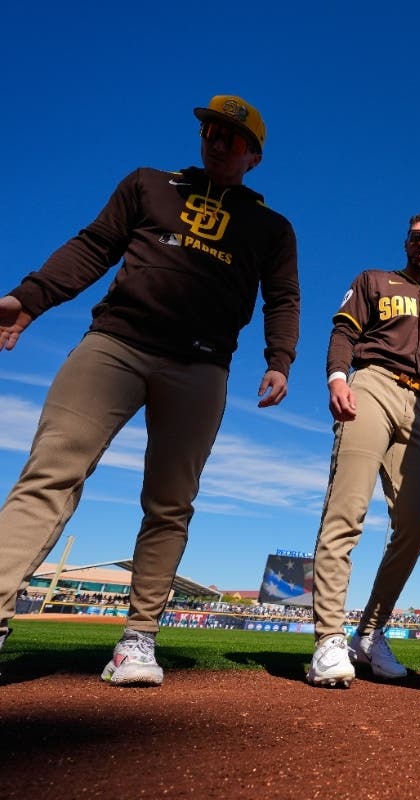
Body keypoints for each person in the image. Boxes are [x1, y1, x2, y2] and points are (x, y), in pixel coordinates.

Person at [0, 95, 299, 684]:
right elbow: (92, 247)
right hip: (115, 343)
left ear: (254, 156)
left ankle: (138, 638)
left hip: (201, 366)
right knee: (50, 473)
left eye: (232, 137)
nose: (217, 141)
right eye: (210, 129)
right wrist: (29, 299)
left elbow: (283, 298)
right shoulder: (148, 184)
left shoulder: (270, 226)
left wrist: (279, 360)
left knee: (169, 503)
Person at [305, 214, 420, 688]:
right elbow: (343, 332)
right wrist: (338, 376)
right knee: (346, 511)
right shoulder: (374, 279)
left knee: (415, 525)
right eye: (417, 237)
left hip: (417, 406)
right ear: (406, 243)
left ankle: (370, 634)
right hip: (372, 383)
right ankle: (328, 639)